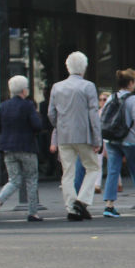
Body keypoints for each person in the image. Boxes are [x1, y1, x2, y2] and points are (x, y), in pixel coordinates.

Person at [47, 51, 102, 222]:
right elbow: (93, 114)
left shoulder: (57, 87)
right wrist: (97, 138)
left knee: (67, 173)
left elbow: (51, 113)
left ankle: (71, 207)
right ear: (84, 68)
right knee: (93, 167)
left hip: (64, 135)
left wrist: (58, 126)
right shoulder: (88, 86)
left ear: (68, 67)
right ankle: (82, 200)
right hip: (84, 134)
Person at [0, 75, 44, 222]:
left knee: (13, 180)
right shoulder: (28, 106)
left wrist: (6, 132)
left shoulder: (4, 105)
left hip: (8, 148)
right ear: (23, 90)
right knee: (31, 179)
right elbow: (37, 125)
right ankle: (32, 213)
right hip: (27, 147)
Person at [100, 68, 135, 217]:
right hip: (129, 140)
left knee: (113, 171)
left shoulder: (111, 97)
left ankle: (109, 205)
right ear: (130, 83)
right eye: (134, 81)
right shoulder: (133, 99)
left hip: (112, 139)